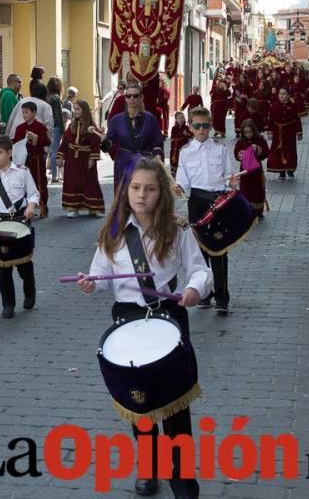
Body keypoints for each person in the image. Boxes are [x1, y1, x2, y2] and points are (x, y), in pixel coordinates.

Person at [75, 158, 211, 499]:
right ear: (126, 191)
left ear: (161, 193)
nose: (141, 195)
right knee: (140, 400)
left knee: (176, 402)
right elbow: (101, 274)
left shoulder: (178, 229)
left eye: (149, 189)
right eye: (135, 188)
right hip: (128, 321)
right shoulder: (114, 232)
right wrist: (93, 282)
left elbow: (200, 271)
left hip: (168, 316)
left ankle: (182, 478)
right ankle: (149, 466)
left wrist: (195, 289)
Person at [175, 107, 240, 316]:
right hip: (196, 203)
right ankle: (204, 293)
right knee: (199, 251)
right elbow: (182, 182)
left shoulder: (220, 150)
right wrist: (177, 188)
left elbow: (229, 176)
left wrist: (233, 183)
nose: (201, 130)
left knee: (219, 250)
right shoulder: (185, 152)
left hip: (217, 202)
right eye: (197, 126)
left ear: (211, 127)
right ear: (190, 127)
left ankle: (222, 297)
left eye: (205, 126)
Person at [0, 135, 38, 319]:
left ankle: (30, 293)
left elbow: (33, 194)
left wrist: (31, 206)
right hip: (0, 223)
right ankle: (8, 304)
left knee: (23, 264)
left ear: (9, 152)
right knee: (3, 267)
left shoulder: (22, 172)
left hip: (21, 220)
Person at [101, 83, 165, 190]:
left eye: (135, 96)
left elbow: (157, 143)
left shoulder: (151, 119)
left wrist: (158, 157)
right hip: (123, 165)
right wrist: (106, 142)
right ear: (125, 98)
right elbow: (110, 142)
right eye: (128, 96)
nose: (132, 99)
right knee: (123, 198)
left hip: (145, 164)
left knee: (142, 198)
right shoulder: (116, 120)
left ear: (141, 98)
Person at [56, 100, 104, 218]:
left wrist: (92, 159)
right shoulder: (72, 126)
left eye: (78, 109)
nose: (75, 112)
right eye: (75, 109)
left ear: (85, 111)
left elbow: (95, 143)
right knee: (72, 182)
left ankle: (93, 207)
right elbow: (65, 142)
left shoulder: (91, 127)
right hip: (72, 159)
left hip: (85, 158)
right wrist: (60, 156)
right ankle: (73, 207)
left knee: (89, 182)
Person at [12, 102, 51, 218]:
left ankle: (43, 206)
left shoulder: (40, 127)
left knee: (39, 183)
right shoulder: (20, 128)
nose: (24, 115)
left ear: (34, 113)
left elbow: (47, 141)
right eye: (23, 112)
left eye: (27, 112)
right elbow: (15, 143)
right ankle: (27, 208)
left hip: (37, 159)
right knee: (24, 184)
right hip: (23, 161)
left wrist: (36, 138)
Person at [234, 119, 270, 220]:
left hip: (256, 172)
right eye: (246, 132)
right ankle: (247, 211)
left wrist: (258, 149)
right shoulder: (240, 142)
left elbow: (266, 152)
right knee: (245, 191)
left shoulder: (260, 140)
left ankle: (259, 211)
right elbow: (236, 154)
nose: (248, 134)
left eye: (250, 132)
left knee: (258, 191)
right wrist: (240, 154)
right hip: (245, 172)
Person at [267, 88, 303, 180]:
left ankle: (290, 170)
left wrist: (299, 132)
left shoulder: (293, 106)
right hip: (277, 132)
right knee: (278, 152)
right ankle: (281, 171)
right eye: (280, 94)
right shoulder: (274, 106)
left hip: (289, 132)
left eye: (284, 94)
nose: (281, 96)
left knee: (290, 151)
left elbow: (297, 119)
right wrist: (270, 131)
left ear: (288, 95)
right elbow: (271, 120)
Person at [47, 77, 66, 183]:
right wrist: (63, 131)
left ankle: (50, 174)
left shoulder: (46, 97)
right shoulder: (56, 98)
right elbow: (59, 116)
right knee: (55, 151)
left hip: (47, 126)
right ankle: (55, 176)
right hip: (55, 127)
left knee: (48, 152)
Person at [168, 111, 193, 176]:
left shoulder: (186, 127)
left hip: (184, 145)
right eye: (179, 118)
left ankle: (183, 170)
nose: (181, 119)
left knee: (183, 158)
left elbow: (191, 135)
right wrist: (173, 146)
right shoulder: (174, 128)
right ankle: (174, 170)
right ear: (176, 119)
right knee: (175, 157)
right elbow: (172, 138)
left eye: (182, 118)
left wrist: (187, 134)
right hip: (175, 146)